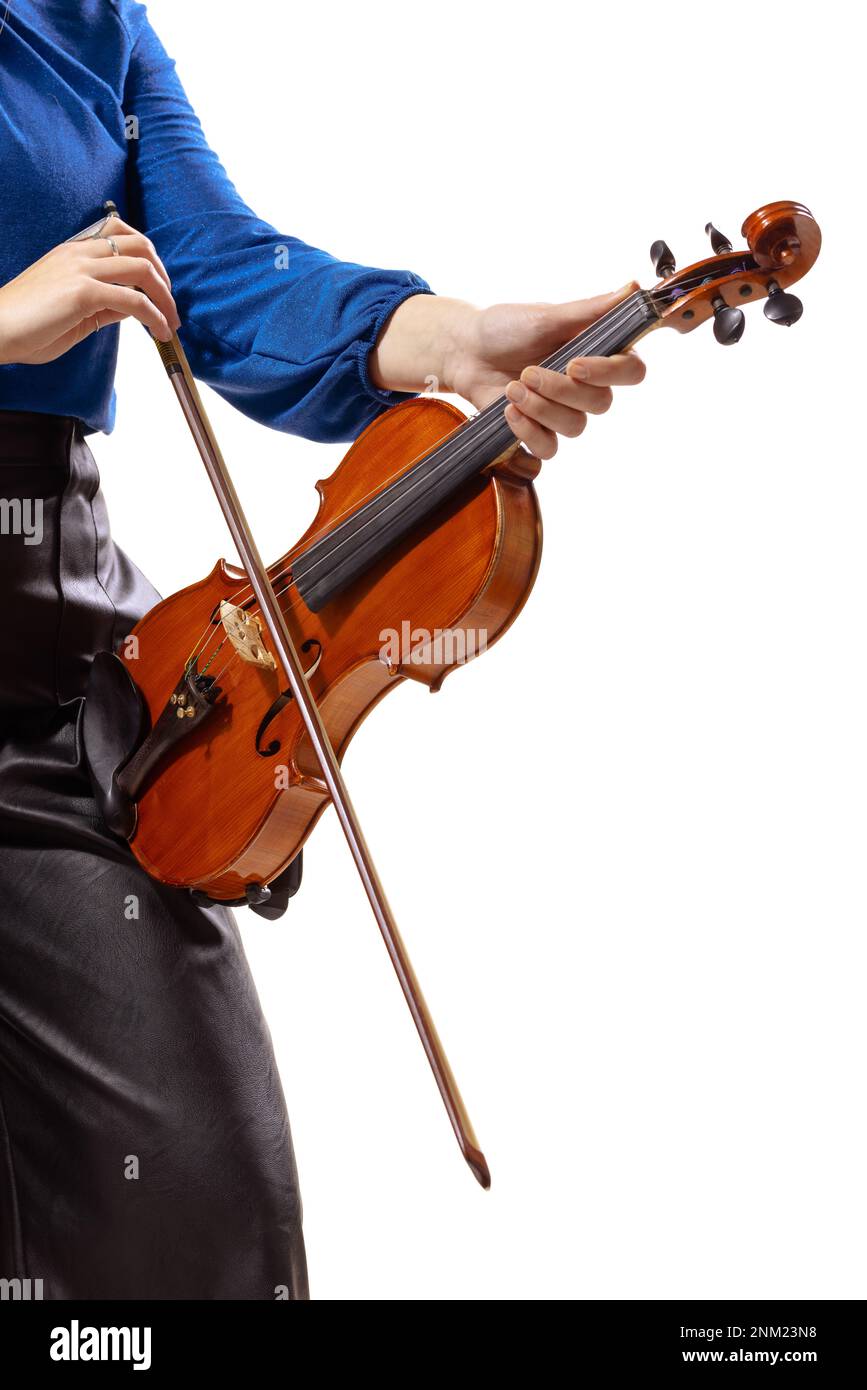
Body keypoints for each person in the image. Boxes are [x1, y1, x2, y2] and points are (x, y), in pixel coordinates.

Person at [0, 0, 645, 1300]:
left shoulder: (89, 20)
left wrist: (456, 338)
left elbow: (225, 274)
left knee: (194, 1225)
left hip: (46, 646)